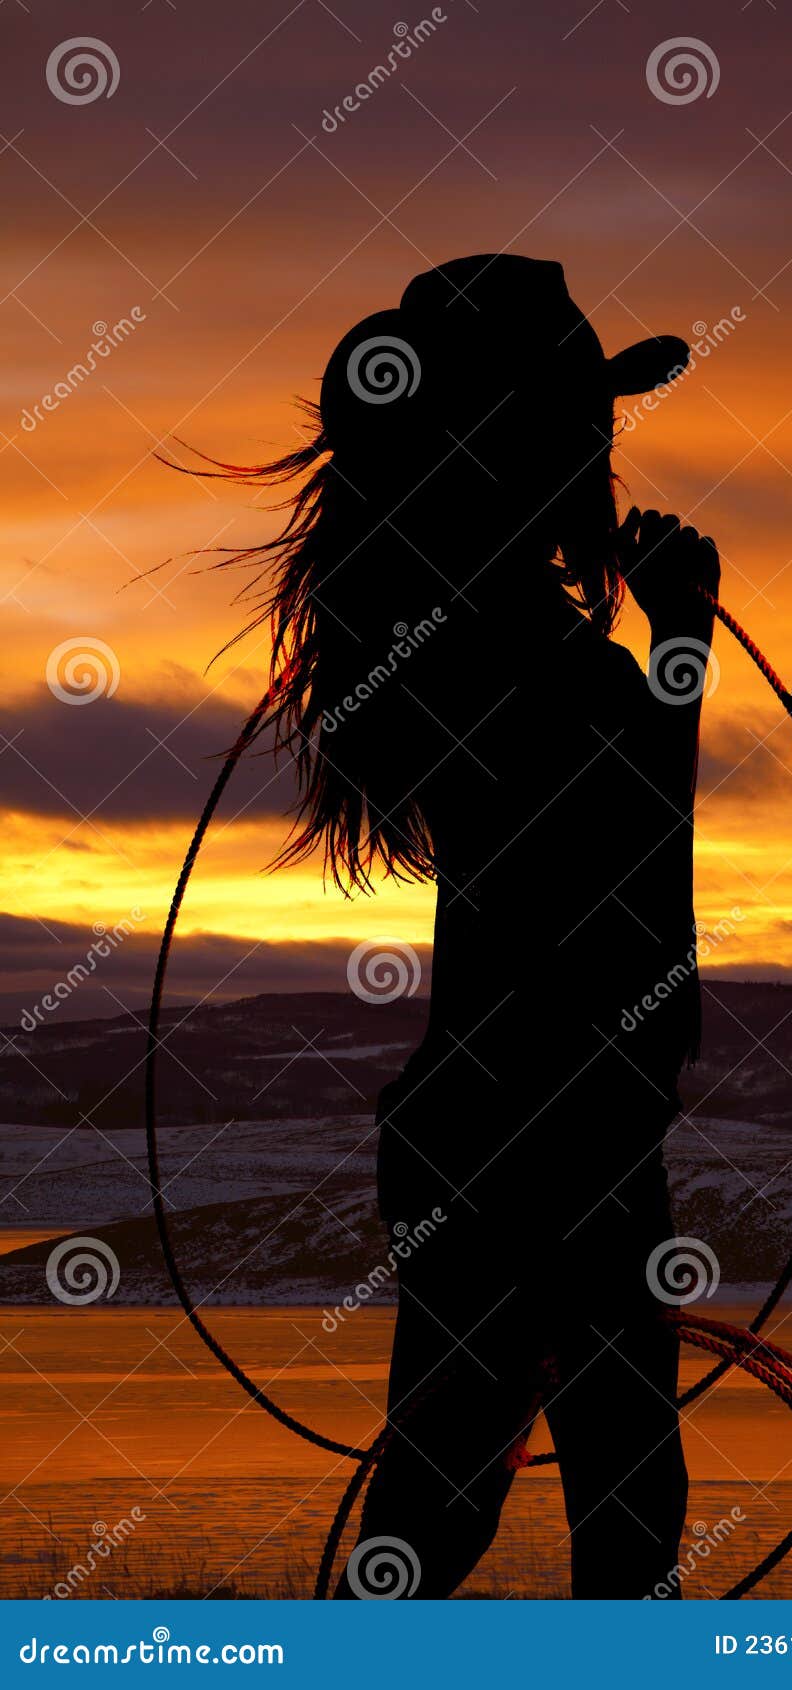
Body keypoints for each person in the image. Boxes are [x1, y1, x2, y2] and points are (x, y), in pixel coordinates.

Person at [214, 254, 720, 1598]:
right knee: (610, 1504)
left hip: (504, 1132)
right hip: (555, 1137)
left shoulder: (450, 648)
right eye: (586, 431)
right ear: (533, 454)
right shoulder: (528, 664)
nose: (604, 462)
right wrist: (683, 649)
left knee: (469, 1501)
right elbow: (636, 857)